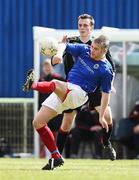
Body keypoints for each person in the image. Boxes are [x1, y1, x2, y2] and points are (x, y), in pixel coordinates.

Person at [23, 35, 115, 170]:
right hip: (67, 88)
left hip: (79, 94)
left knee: (55, 83)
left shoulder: (106, 70)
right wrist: (59, 54)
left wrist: (101, 116)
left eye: (95, 49)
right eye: (92, 47)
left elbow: (106, 94)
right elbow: (64, 45)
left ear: (104, 51)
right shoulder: (85, 49)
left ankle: (33, 85)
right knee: (37, 122)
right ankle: (56, 156)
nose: (92, 50)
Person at [51, 14, 116, 160]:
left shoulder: (99, 44)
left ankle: (106, 143)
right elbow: (57, 56)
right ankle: (56, 157)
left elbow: (111, 66)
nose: (82, 28)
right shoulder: (72, 41)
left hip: (93, 87)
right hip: (73, 87)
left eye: (85, 25)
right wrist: (55, 57)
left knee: (107, 117)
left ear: (92, 27)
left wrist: (110, 84)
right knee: (67, 122)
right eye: (80, 25)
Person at [38, 60, 65, 157]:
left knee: (57, 134)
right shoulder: (41, 80)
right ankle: (45, 156)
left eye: (48, 66)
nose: (47, 68)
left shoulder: (59, 79)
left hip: (57, 111)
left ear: (53, 67)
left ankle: (58, 154)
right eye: (45, 66)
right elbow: (39, 98)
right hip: (45, 111)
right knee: (44, 133)